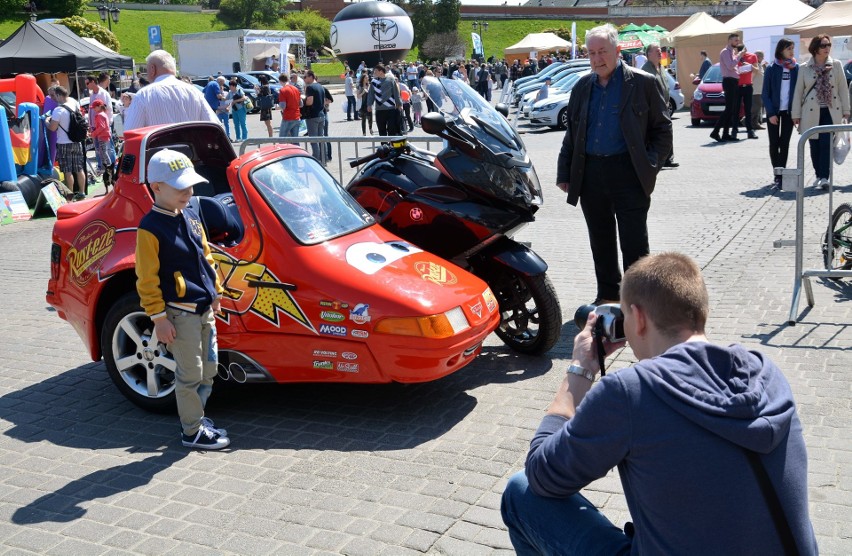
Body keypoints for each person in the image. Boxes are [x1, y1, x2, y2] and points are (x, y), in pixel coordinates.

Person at [500, 252, 819, 556]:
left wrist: (581, 370)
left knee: (520, 491)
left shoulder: (630, 393)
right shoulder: (765, 371)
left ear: (637, 318)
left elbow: (542, 476)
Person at [555, 24, 671, 305]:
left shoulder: (642, 82)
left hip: (628, 172)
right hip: (591, 173)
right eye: (591, 53)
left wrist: (649, 164)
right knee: (601, 239)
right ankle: (607, 295)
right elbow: (573, 133)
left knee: (634, 242)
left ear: (617, 51)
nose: (596, 58)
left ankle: (638, 301)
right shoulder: (582, 86)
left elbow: (662, 130)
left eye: (602, 52)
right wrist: (564, 171)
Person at [136, 149, 229, 451]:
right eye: (180, 187)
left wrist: (216, 293)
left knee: (209, 370)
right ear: (156, 187)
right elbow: (147, 279)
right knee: (189, 375)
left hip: (204, 310)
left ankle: (196, 417)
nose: (189, 192)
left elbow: (206, 256)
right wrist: (159, 319)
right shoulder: (150, 228)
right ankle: (191, 431)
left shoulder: (190, 213)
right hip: (180, 315)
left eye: (190, 185)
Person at [792, 34, 851, 190]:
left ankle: (825, 177)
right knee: (814, 145)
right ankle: (819, 175)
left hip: (831, 112)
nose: (827, 48)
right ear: (815, 48)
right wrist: (795, 114)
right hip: (810, 113)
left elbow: (843, 89)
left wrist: (846, 110)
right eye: (824, 45)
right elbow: (798, 92)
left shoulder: (836, 65)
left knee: (826, 144)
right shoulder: (804, 67)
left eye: (829, 45)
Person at [123, 50, 218, 130]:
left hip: (158, 151)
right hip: (190, 151)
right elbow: (214, 127)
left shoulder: (143, 95)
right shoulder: (194, 92)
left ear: (153, 69)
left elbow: (130, 133)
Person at [762, 38, 799, 189]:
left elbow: (798, 92)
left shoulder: (795, 68)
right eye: (789, 48)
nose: (792, 51)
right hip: (774, 112)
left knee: (784, 144)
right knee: (774, 144)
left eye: (793, 48)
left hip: (788, 112)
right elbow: (765, 93)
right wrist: (770, 113)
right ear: (781, 50)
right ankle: (776, 172)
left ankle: (781, 175)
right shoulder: (772, 68)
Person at [45, 86, 86, 200]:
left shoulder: (58, 110)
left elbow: (53, 128)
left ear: (59, 95)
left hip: (64, 143)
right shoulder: (74, 102)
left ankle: (70, 195)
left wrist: (47, 121)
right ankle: (82, 193)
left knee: (68, 171)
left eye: (54, 96)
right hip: (76, 141)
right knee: (79, 169)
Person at [641, 43, 679, 168]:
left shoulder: (661, 67)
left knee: (667, 132)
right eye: (656, 51)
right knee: (656, 134)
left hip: (665, 106)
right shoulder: (645, 70)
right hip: (653, 108)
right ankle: (656, 159)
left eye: (659, 51)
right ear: (648, 54)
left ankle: (668, 158)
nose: (659, 53)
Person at [710, 34, 745, 143]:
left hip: (733, 81)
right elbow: (730, 66)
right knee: (729, 109)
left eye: (738, 40)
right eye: (735, 40)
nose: (737, 42)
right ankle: (715, 131)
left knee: (732, 109)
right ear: (730, 40)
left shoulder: (732, 52)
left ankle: (725, 133)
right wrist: (740, 55)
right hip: (729, 81)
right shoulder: (725, 52)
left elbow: (733, 67)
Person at [367, 64, 403, 137]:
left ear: (381, 71)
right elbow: (371, 94)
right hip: (379, 110)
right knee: (381, 130)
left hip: (391, 109)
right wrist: (369, 104)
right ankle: (384, 146)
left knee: (392, 129)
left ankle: (392, 146)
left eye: (376, 71)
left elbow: (396, 93)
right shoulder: (373, 82)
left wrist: (399, 104)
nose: (374, 72)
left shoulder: (390, 80)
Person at [89, 99, 114, 190]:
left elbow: (101, 127)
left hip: (102, 136)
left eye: (95, 107)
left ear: (99, 106)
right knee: (103, 152)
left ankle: (109, 168)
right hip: (105, 135)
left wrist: (94, 133)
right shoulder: (104, 114)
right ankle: (108, 168)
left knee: (103, 152)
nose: (94, 109)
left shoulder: (99, 115)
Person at [737, 45, 759, 140]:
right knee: (735, 109)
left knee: (748, 109)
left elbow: (756, 70)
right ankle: (734, 130)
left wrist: (749, 65)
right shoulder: (734, 57)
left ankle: (750, 131)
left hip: (748, 85)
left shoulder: (752, 56)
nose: (742, 52)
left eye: (743, 50)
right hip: (737, 86)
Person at [302, 70, 326, 161]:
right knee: (322, 139)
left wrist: (303, 101)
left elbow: (309, 101)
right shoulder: (320, 86)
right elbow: (324, 102)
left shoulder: (310, 88)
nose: (304, 79)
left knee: (313, 140)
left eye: (305, 77)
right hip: (321, 115)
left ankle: (316, 159)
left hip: (313, 116)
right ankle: (324, 159)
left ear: (311, 77)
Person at [277, 73, 301, 140]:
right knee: (295, 140)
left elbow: (283, 106)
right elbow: (301, 104)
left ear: (280, 81)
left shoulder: (283, 90)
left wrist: (277, 107)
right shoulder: (296, 89)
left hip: (288, 117)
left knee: (282, 139)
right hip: (297, 116)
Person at [751, 50, 767, 130]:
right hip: (755, 89)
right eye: (761, 56)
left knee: (758, 107)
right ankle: (746, 120)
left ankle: (755, 123)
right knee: (756, 107)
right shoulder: (754, 65)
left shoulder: (759, 65)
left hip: (759, 90)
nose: (762, 57)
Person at [214, 76, 232, 141]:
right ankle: (221, 137)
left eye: (222, 88)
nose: (221, 89)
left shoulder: (226, 93)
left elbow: (229, 102)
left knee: (227, 125)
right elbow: (215, 103)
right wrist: (217, 108)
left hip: (225, 112)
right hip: (219, 112)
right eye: (220, 88)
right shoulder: (216, 95)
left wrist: (228, 107)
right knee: (219, 125)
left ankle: (228, 137)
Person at [257, 74, 275, 138]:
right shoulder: (267, 86)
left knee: (267, 123)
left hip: (265, 107)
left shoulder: (264, 87)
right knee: (268, 122)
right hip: (267, 106)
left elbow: (259, 95)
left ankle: (270, 136)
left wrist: (257, 90)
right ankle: (270, 135)